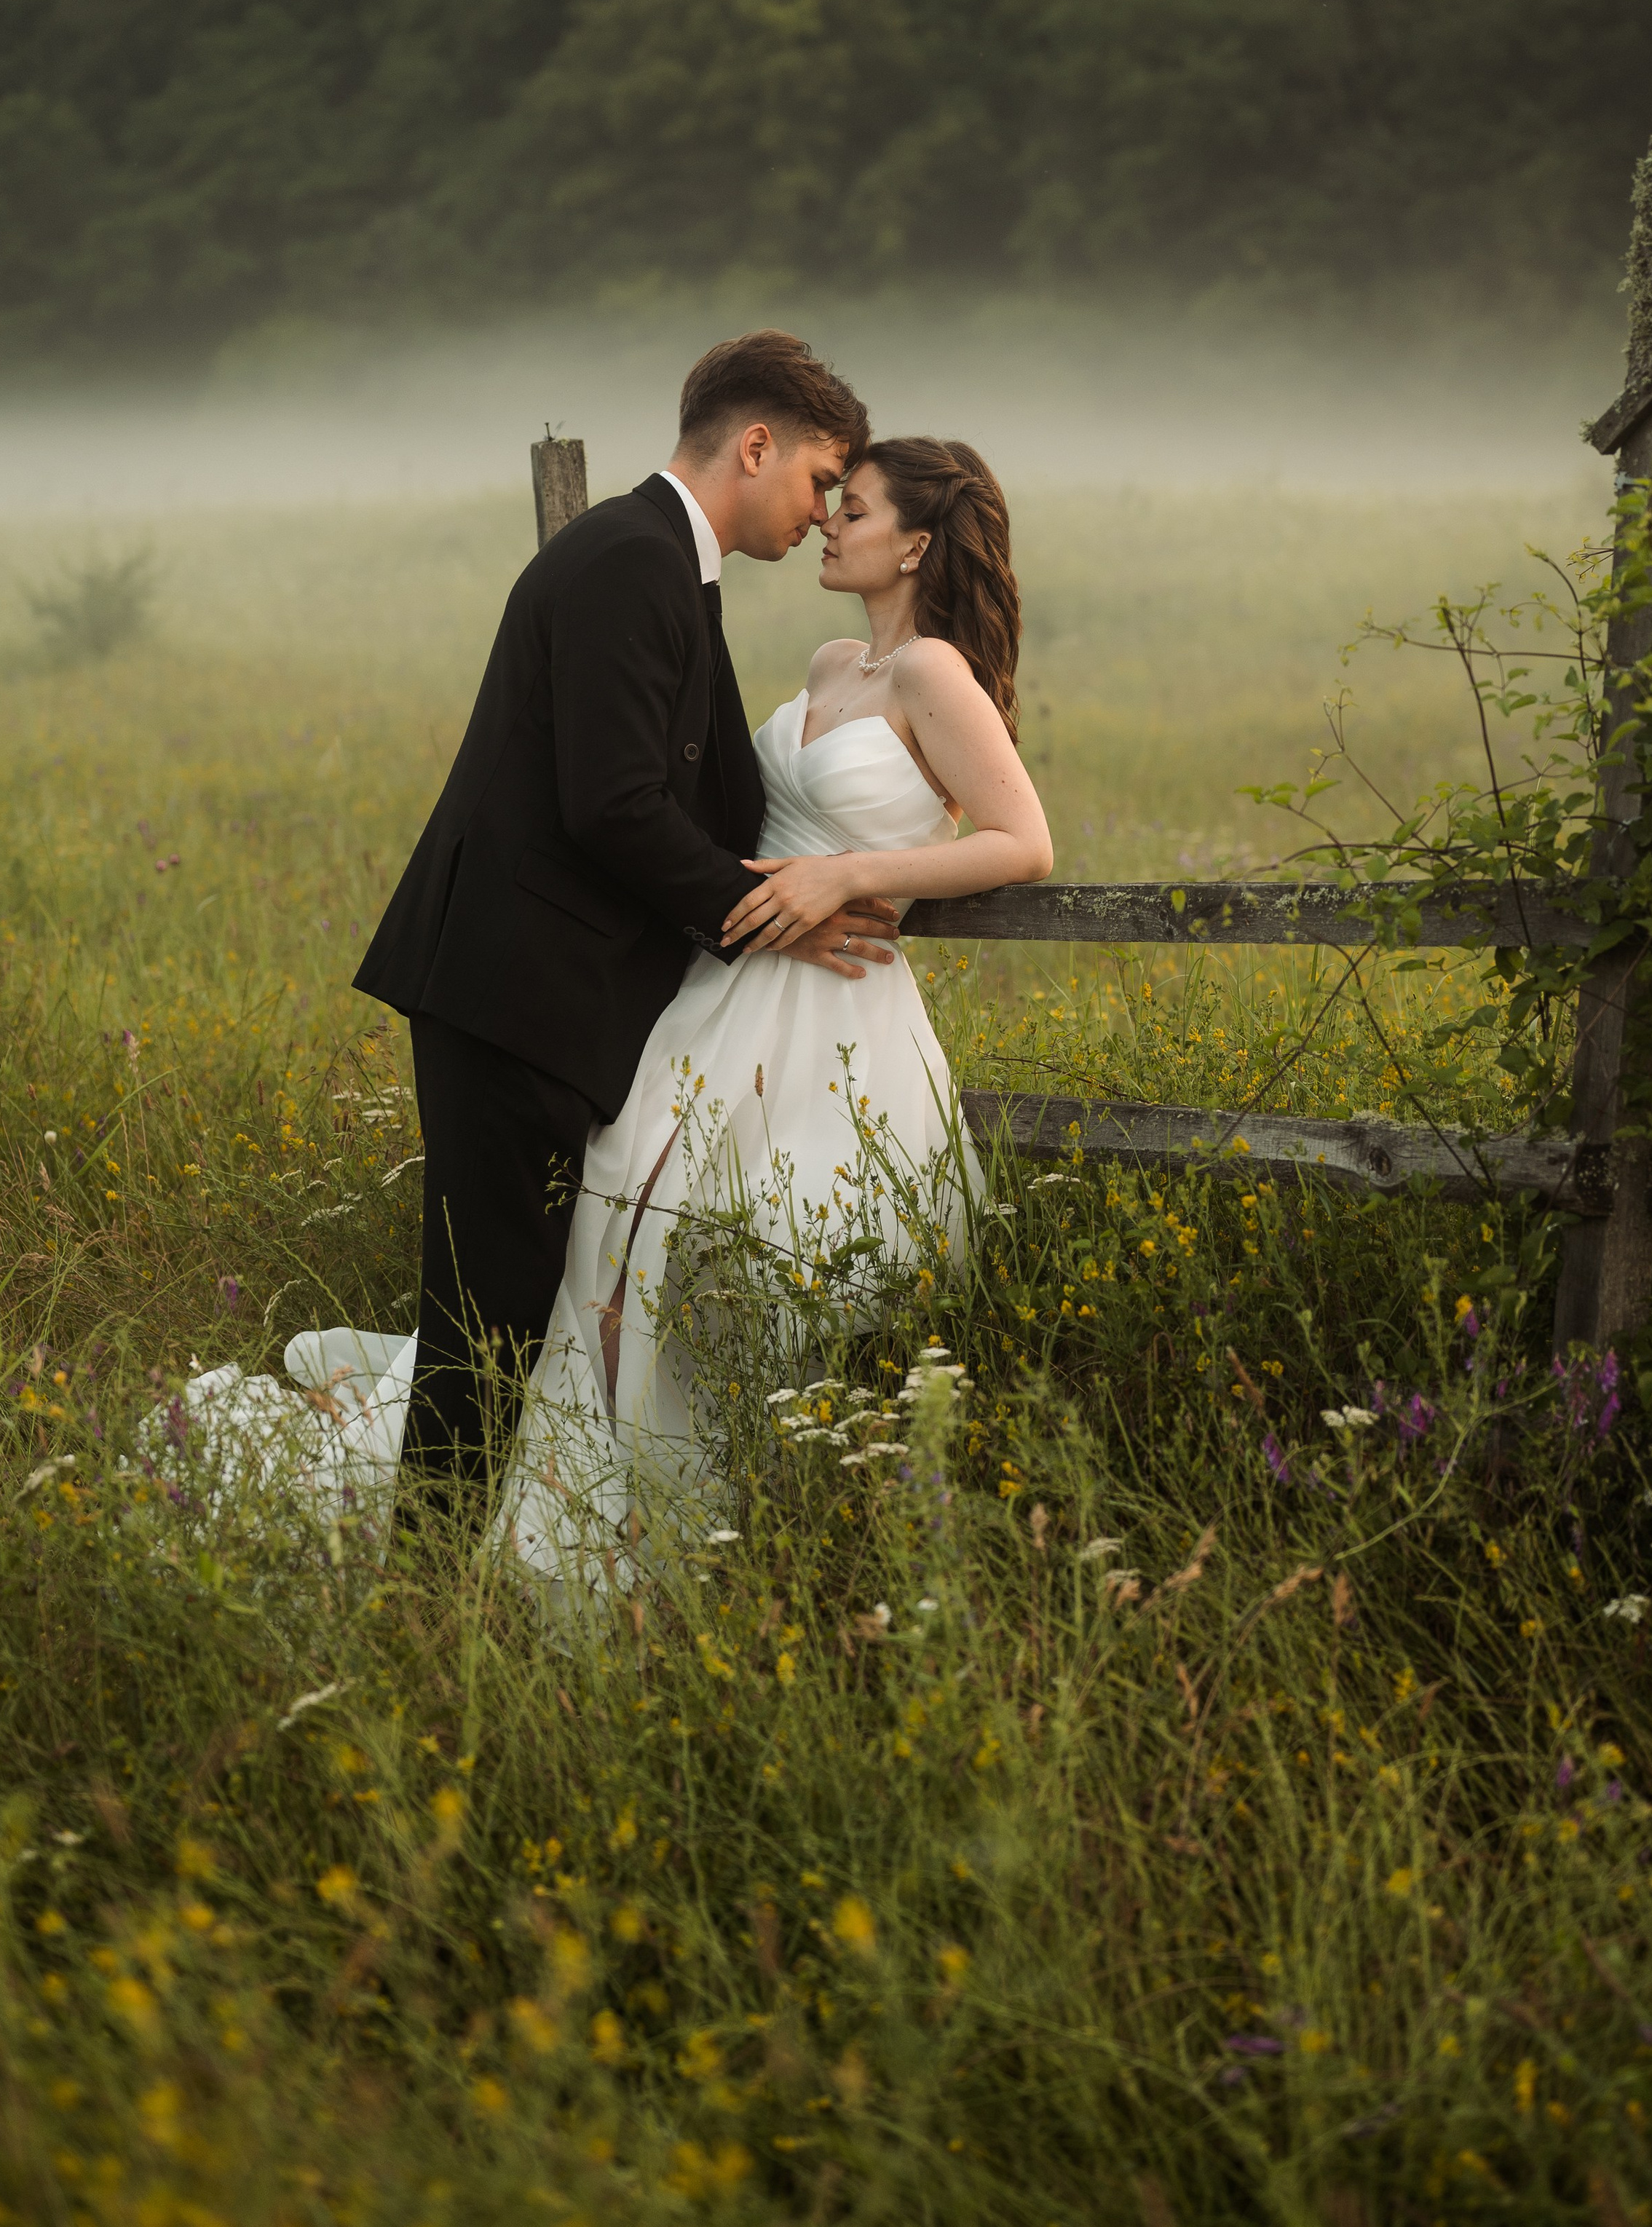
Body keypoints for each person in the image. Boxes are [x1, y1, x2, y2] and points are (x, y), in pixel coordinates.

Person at [164, 430, 1052, 1583]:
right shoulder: (836, 663)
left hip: (825, 1007)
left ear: (917, 543)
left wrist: (851, 874)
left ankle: (740, 1499)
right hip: (718, 992)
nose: (832, 518)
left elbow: (1022, 842)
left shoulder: (935, 674)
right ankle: (580, 1486)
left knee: (748, 1254)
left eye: (860, 507)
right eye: (830, 496)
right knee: (619, 1228)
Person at [350, 331, 892, 1529]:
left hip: (541, 999)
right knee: (482, 1321)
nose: (818, 514)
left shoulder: (665, 566)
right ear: (757, 445)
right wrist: (765, 920)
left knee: (512, 1314)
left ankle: (444, 1571)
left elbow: (674, 794)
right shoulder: (626, 561)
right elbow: (613, 804)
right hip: (512, 996)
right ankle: (423, 1591)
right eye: (817, 480)